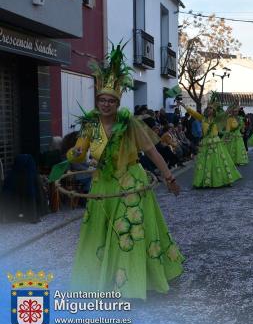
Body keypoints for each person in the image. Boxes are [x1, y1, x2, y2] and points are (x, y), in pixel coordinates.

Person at [58, 44, 184, 299]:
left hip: (130, 184)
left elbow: (152, 152)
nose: (105, 104)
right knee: (102, 233)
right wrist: (73, 155)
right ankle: (101, 281)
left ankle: (133, 282)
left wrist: (168, 177)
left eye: (110, 101)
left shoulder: (130, 125)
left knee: (130, 231)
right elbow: (80, 152)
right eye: (102, 100)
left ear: (117, 102)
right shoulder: (91, 126)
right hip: (103, 184)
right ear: (97, 102)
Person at [180, 93, 242, 188]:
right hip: (206, 143)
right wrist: (183, 105)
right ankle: (205, 181)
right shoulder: (203, 119)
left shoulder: (217, 119)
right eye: (208, 108)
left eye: (211, 109)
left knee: (218, 161)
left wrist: (235, 104)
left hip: (216, 142)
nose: (209, 110)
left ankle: (223, 179)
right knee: (206, 163)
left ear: (213, 111)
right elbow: (193, 113)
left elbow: (226, 112)